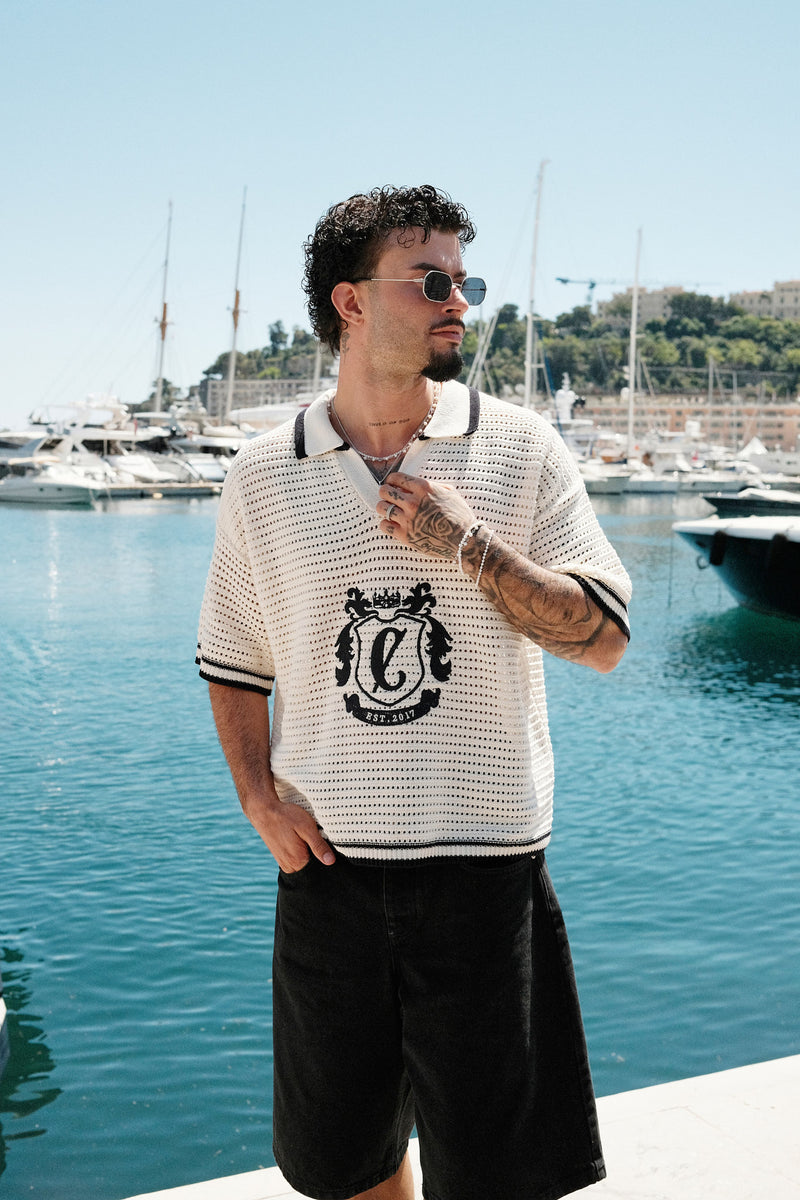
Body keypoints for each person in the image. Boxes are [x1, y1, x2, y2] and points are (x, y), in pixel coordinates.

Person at [197, 184, 631, 1200]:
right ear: (350, 303)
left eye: (464, 282)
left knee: (499, 1174)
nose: (458, 303)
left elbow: (604, 638)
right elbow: (233, 656)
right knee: (348, 1165)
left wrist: (467, 543)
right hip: (329, 877)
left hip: (487, 876)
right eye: (430, 281)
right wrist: (257, 797)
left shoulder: (520, 447)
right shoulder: (262, 474)